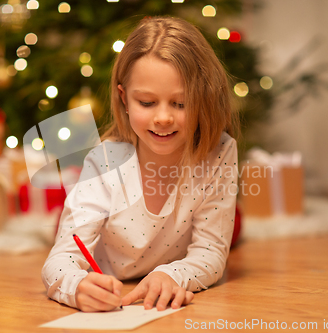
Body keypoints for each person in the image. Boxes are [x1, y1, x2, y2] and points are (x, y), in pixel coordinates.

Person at [42, 16, 240, 313]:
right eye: (147, 103)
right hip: (115, 286)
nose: (163, 118)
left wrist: (171, 275)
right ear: (124, 99)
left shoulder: (220, 152)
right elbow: (60, 260)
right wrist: (76, 286)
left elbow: (210, 253)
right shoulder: (105, 161)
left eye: (181, 103)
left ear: (206, 98)